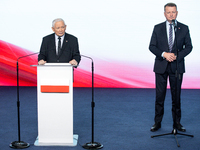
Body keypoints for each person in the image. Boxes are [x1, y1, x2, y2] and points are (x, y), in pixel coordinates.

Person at [149, 3, 192, 132]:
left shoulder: (183, 28)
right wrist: (164, 54)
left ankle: (177, 123)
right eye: (168, 12)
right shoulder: (157, 28)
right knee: (160, 96)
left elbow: (189, 47)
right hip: (161, 66)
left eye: (173, 12)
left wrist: (176, 56)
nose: (171, 14)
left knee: (176, 96)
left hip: (177, 67)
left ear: (177, 13)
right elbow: (152, 46)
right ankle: (157, 122)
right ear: (164, 14)